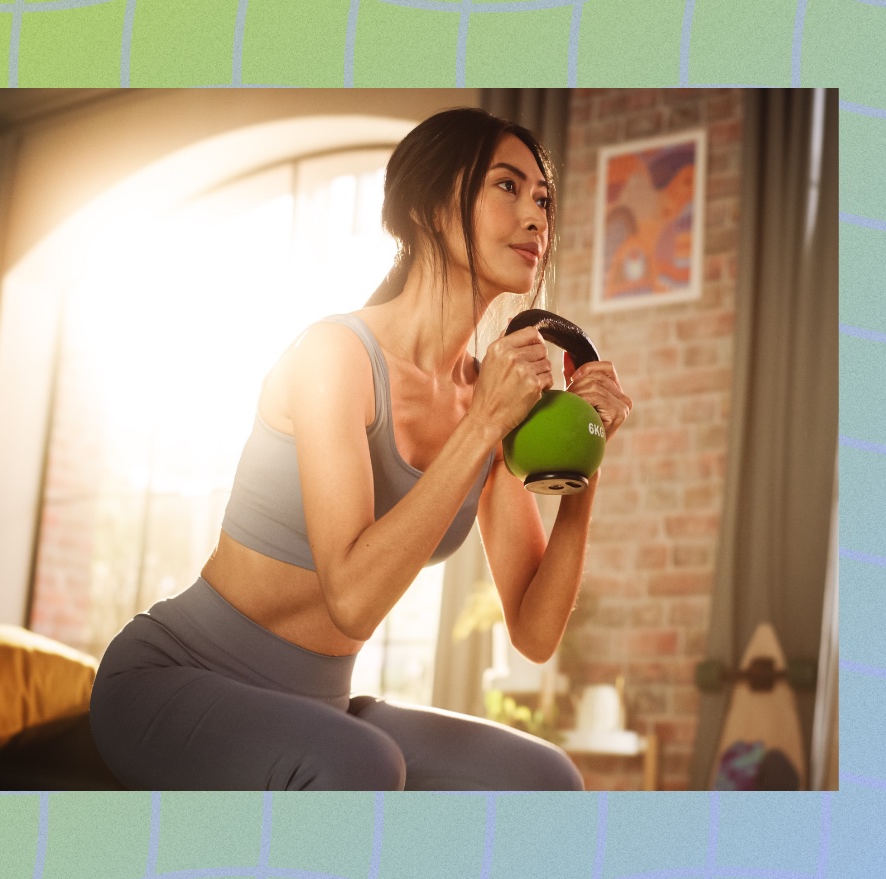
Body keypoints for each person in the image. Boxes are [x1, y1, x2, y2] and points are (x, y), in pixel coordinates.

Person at [89, 107, 633, 790]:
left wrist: (587, 461)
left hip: (319, 704)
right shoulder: (335, 355)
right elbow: (351, 598)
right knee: (362, 762)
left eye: (543, 199)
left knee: (544, 777)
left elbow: (534, 629)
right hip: (175, 678)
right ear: (434, 207)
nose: (535, 217)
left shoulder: (487, 402)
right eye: (507, 186)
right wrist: (482, 424)